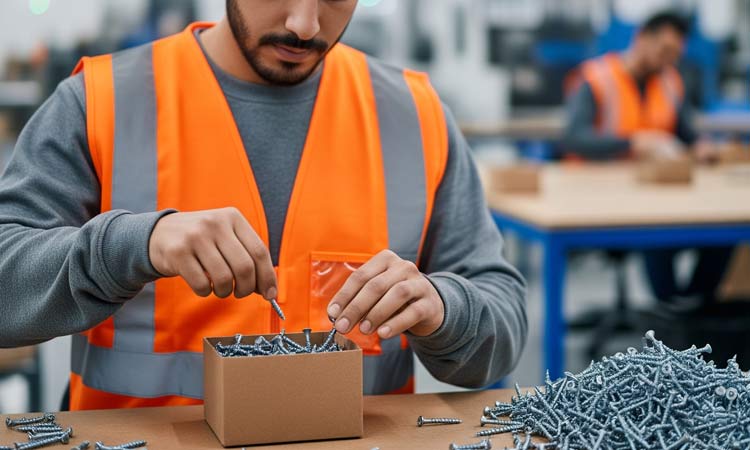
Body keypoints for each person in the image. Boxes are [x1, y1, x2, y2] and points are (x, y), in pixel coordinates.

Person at [0, 1, 527, 411]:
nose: (304, 24)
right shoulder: (101, 102)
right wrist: (132, 245)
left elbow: (502, 319)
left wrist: (442, 307)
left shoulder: (414, 115)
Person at [563, 11, 732, 303]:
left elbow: (685, 132)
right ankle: (668, 309)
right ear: (641, 38)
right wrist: (633, 143)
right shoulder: (596, 78)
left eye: (675, 54)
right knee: (659, 234)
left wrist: (701, 146)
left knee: (723, 233)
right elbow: (573, 138)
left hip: (654, 192)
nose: (669, 60)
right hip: (600, 196)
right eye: (664, 50)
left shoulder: (669, 82)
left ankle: (691, 310)